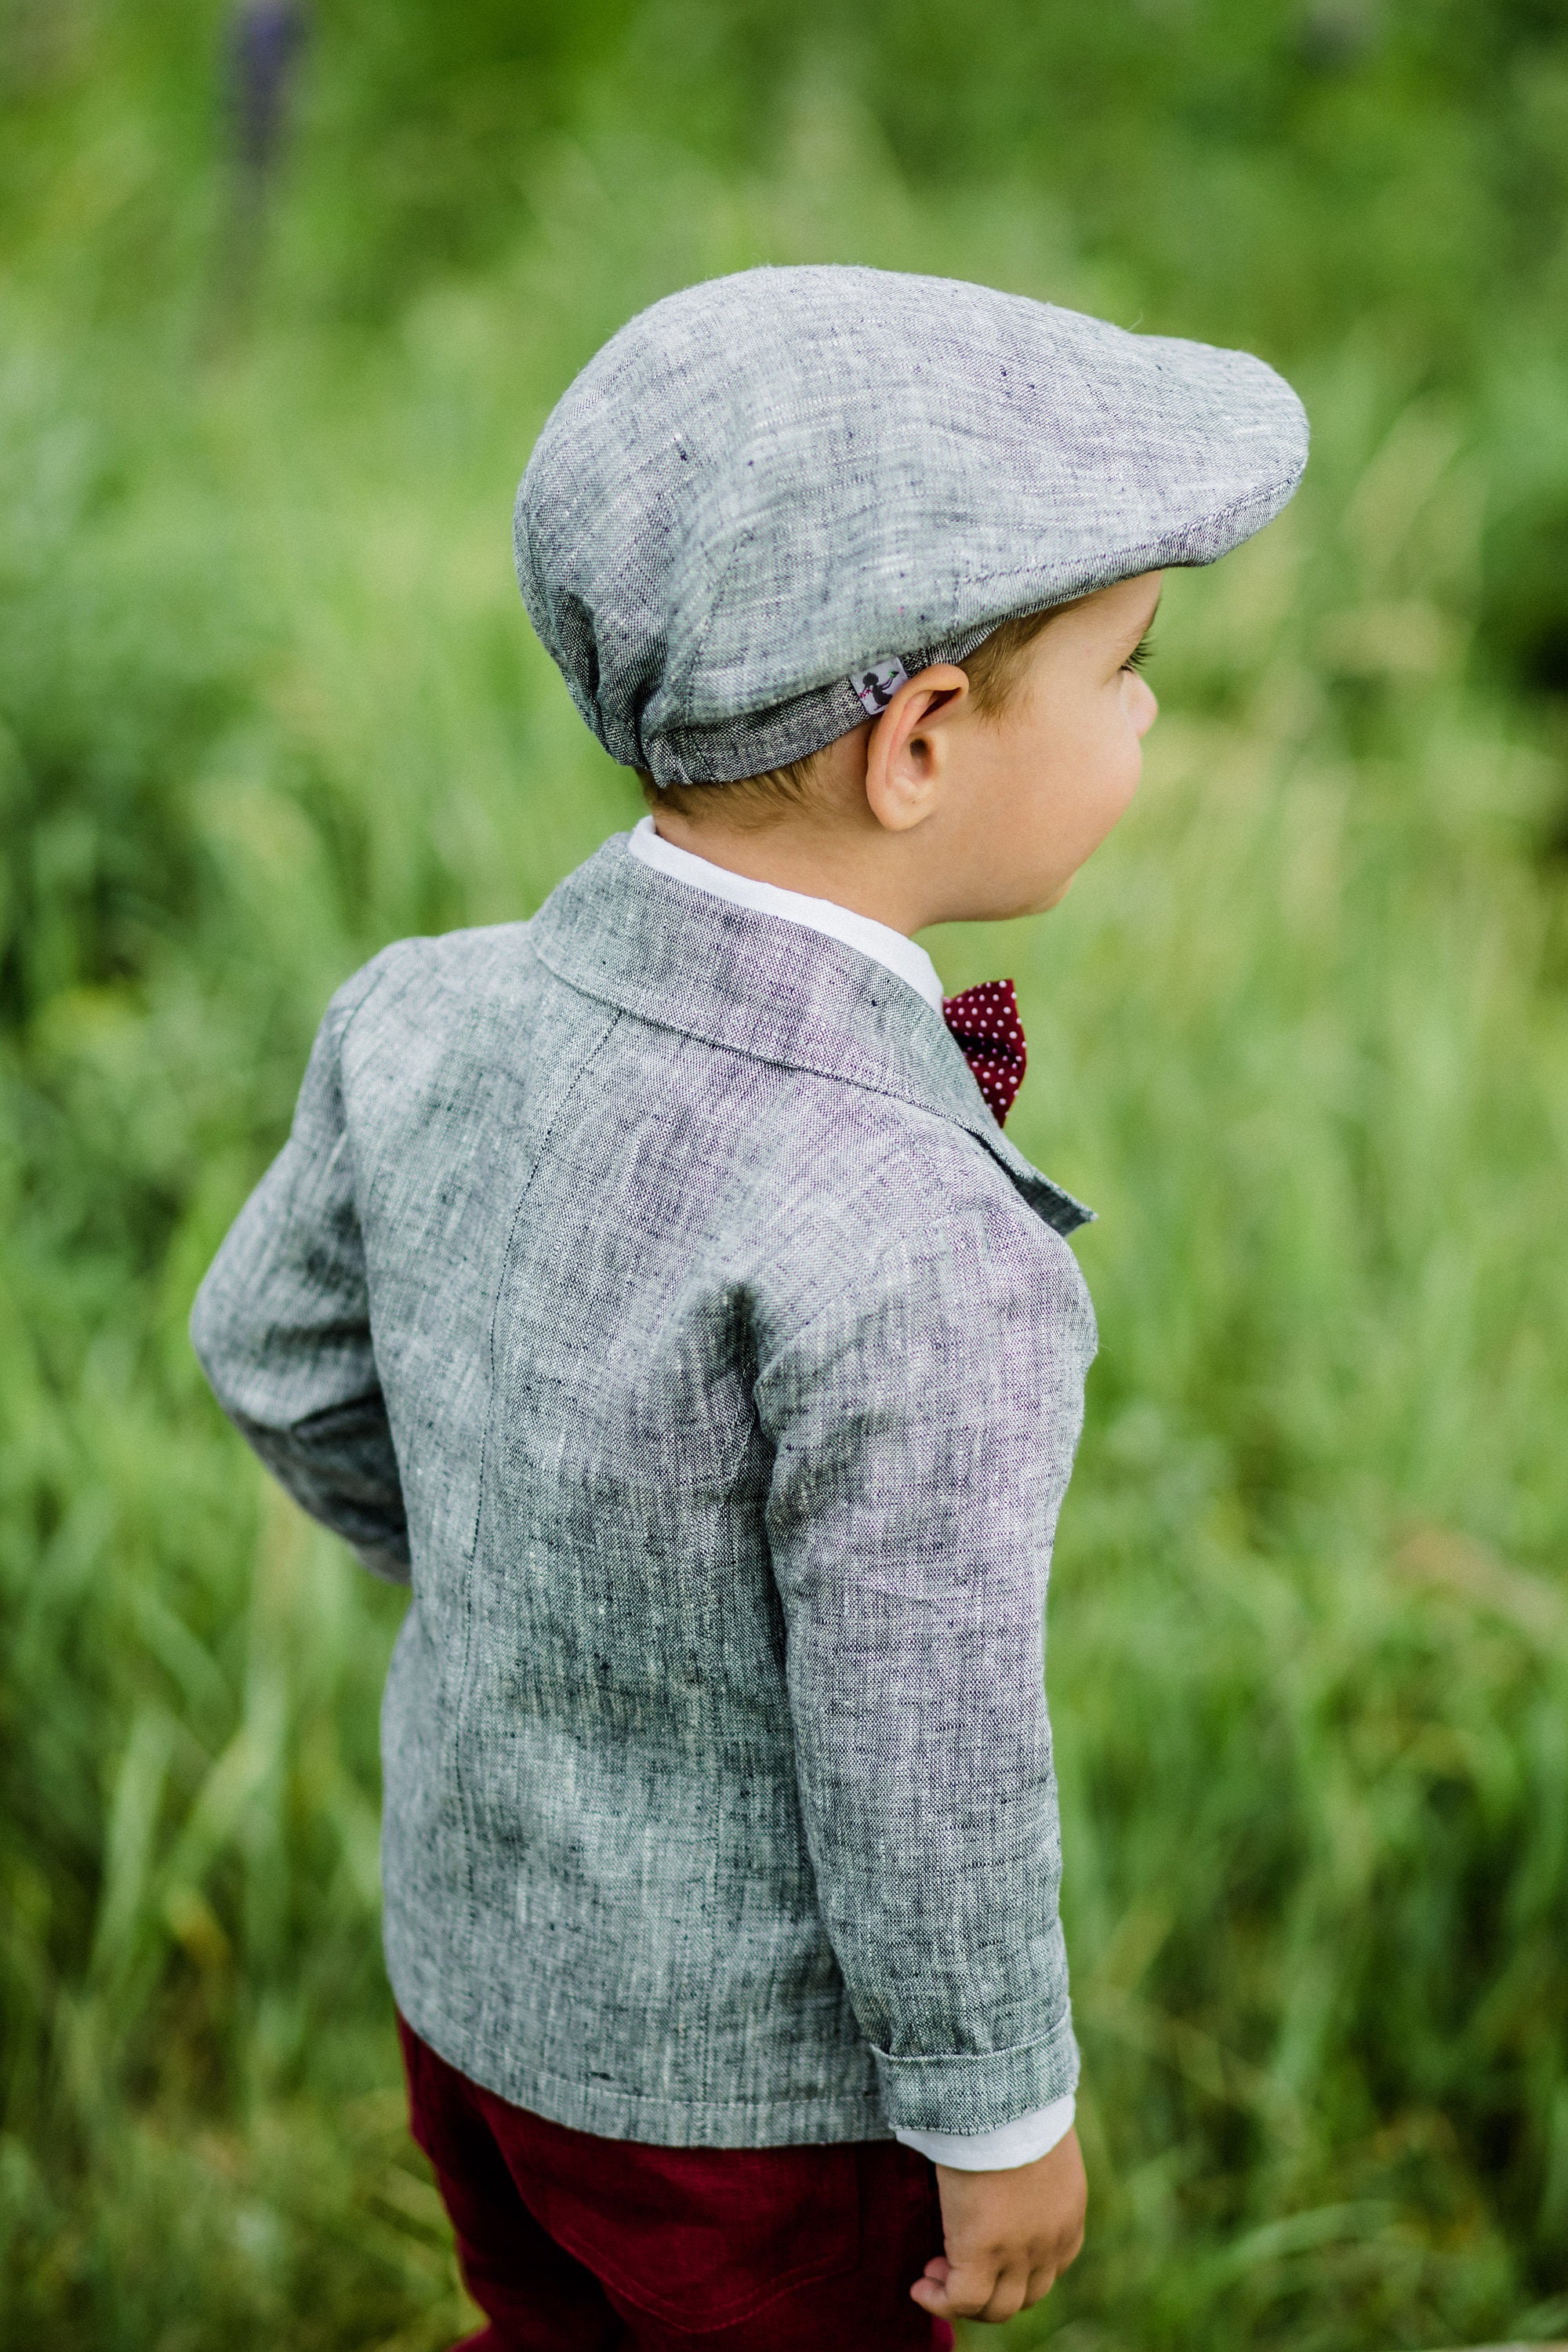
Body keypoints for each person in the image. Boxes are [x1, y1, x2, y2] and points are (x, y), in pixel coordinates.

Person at [191, 265, 1306, 2348]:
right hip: (763, 2120)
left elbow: (267, 1353)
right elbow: (927, 1739)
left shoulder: (421, 1015)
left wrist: (546, 1596)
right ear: (923, 743)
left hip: (475, 2004)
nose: (1153, 712)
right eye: (1132, 665)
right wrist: (1005, 2119)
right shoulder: (915, 1231)